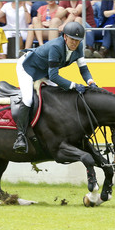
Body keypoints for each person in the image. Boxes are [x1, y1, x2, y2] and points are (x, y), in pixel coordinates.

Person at [13, 21, 96, 153]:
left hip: (44, 70)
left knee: (57, 95)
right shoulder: (56, 47)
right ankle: (20, 137)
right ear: (65, 37)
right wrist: (74, 85)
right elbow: (54, 76)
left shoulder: (78, 48)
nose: (75, 43)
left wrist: (91, 82)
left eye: (78, 40)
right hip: (28, 68)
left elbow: (84, 69)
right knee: (28, 99)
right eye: (72, 39)